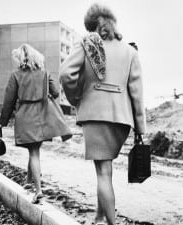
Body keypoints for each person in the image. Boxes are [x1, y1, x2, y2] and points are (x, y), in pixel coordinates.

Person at [59, 3, 146, 225]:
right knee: (107, 170)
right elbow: (137, 94)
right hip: (122, 120)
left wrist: (78, 96)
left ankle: (111, 223)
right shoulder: (130, 51)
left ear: (94, 26)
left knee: (103, 174)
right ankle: (99, 217)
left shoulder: (87, 45)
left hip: (96, 117)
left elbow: (65, 74)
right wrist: (140, 129)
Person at [0, 43, 72, 203]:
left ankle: (38, 190)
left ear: (20, 59)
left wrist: (2, 122)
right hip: (42, 116)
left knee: (33, 153)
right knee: (34, 150)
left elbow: (9, 101)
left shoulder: (16, 75)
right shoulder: (44, 73)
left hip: (25, 116)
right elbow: (56, 92)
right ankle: (28, 182)